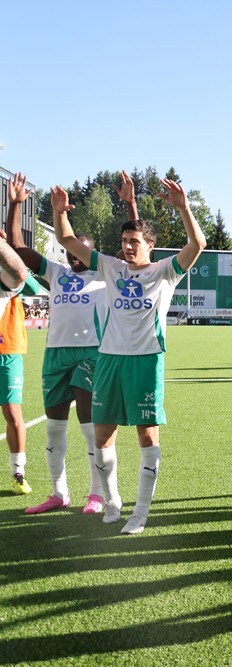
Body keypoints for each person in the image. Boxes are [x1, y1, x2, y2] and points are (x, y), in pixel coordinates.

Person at [51, 175, 207, 535]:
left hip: (145, 362)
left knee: (147, 438)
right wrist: (60, 213)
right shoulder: (111, 266)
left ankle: (140, 513)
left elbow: (197, 242)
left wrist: (183, 208)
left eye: (134, 241)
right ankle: (112, 501)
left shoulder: (164, 271)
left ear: (150, 245)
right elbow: (65, 239)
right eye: (124, 241)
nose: (128, 247)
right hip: (108, 360)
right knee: (103, 436)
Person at [6, 171, 104, 513]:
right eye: (72, 253)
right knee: (54, 429)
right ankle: (59, 494)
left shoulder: (105, 276)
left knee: (90, 429)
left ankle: (95, 493)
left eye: (82, 253)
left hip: (91, 355)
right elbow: (18, 250)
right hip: (55, 356)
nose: (76, 258)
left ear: (91, 254)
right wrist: (15, 205)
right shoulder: (57, 273)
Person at [0, 180, 45, 498]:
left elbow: (22, 277)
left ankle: (18, 471)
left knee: (12, 412)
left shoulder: (9, 277)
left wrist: (14, 206)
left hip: (7, 348)